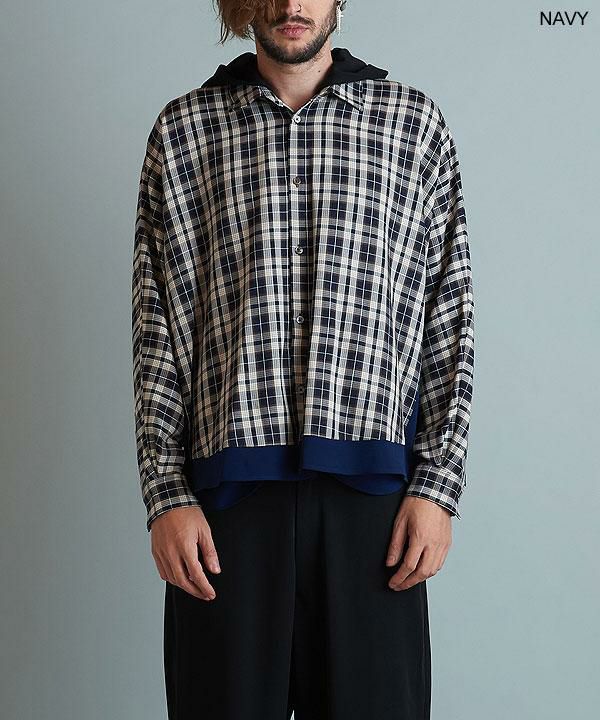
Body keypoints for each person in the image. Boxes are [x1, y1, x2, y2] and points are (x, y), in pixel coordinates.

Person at [131, 1, 475, 718]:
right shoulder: (185, 130)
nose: (292, 5)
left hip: (375, 510)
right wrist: (166, 494)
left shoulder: (411, 125)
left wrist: (438, 487)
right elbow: (156, 323)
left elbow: (449, 313)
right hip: (224, 510)